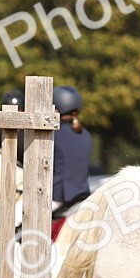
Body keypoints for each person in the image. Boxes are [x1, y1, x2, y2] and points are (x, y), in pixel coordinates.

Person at [51, 85, 92, 214]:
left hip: (59, 197)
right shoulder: (86, 135)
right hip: (83, 194)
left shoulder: (53, 135)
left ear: (56, 109)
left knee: (14, 218)